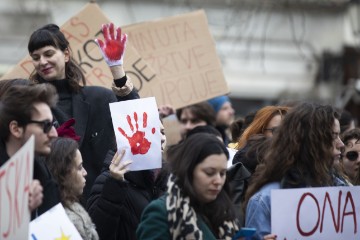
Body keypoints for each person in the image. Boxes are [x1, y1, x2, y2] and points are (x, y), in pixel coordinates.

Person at [27, 22, 139, 201]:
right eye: (35, 57)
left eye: (48, 54)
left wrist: (117, 70)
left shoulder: (99, 98)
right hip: (56, 207)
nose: (42, 62)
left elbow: (138, 125)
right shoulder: (32, 109)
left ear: (65, 54)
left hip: (106, 202)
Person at [243, 102, 346, 239]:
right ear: (311, 141)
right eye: (333, 136)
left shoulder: (342, 191)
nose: (341, 144)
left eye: (339, 135)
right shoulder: (266, 200)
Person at [136, 133, 239, 239]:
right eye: (209, 172)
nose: (218, 181)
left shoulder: (224, 211)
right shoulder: (161, 213)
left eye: (222, 173)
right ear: (188, 171)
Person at [87, 121, 168, 240]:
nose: (161, 138)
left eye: (162, 132)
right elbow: (97, 234)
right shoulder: (108, 181)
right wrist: (114, 185)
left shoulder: (169, 177)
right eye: (154, 131)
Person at [0, 83, 60, 218]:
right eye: (46, 125)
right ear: (16, 129)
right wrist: (17, 212)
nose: (54, 134)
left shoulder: (43, 175)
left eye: (53, 125)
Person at [46, 137, 99, 240]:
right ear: (63, 173)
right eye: (79, 167)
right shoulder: (65, 222)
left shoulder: (74, 208)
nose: (85, 173)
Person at [232, 106, 289, 170]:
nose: (283, 136)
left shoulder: (296, 158)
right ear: (260, 132)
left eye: (288, 131)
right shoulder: (247, 160)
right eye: (276, 131)